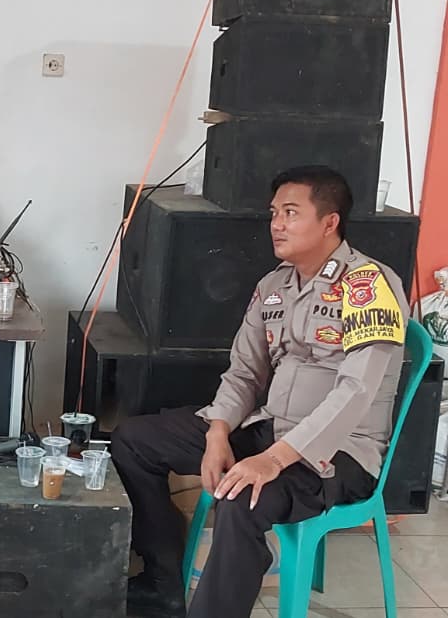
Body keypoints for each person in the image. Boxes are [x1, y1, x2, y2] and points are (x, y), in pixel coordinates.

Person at [111, 166, 410, 618]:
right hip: (270, 428)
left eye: (291, 213)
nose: (276, 224)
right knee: (135, 441)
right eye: (274, 213)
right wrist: (217, 432)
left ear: (329, 222)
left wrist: (272, 460)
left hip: (340, 452)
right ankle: (162, 581)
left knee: (242, 498)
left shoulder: (369, 286)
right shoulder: (274, 286)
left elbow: (355, 392)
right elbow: (244, 372)